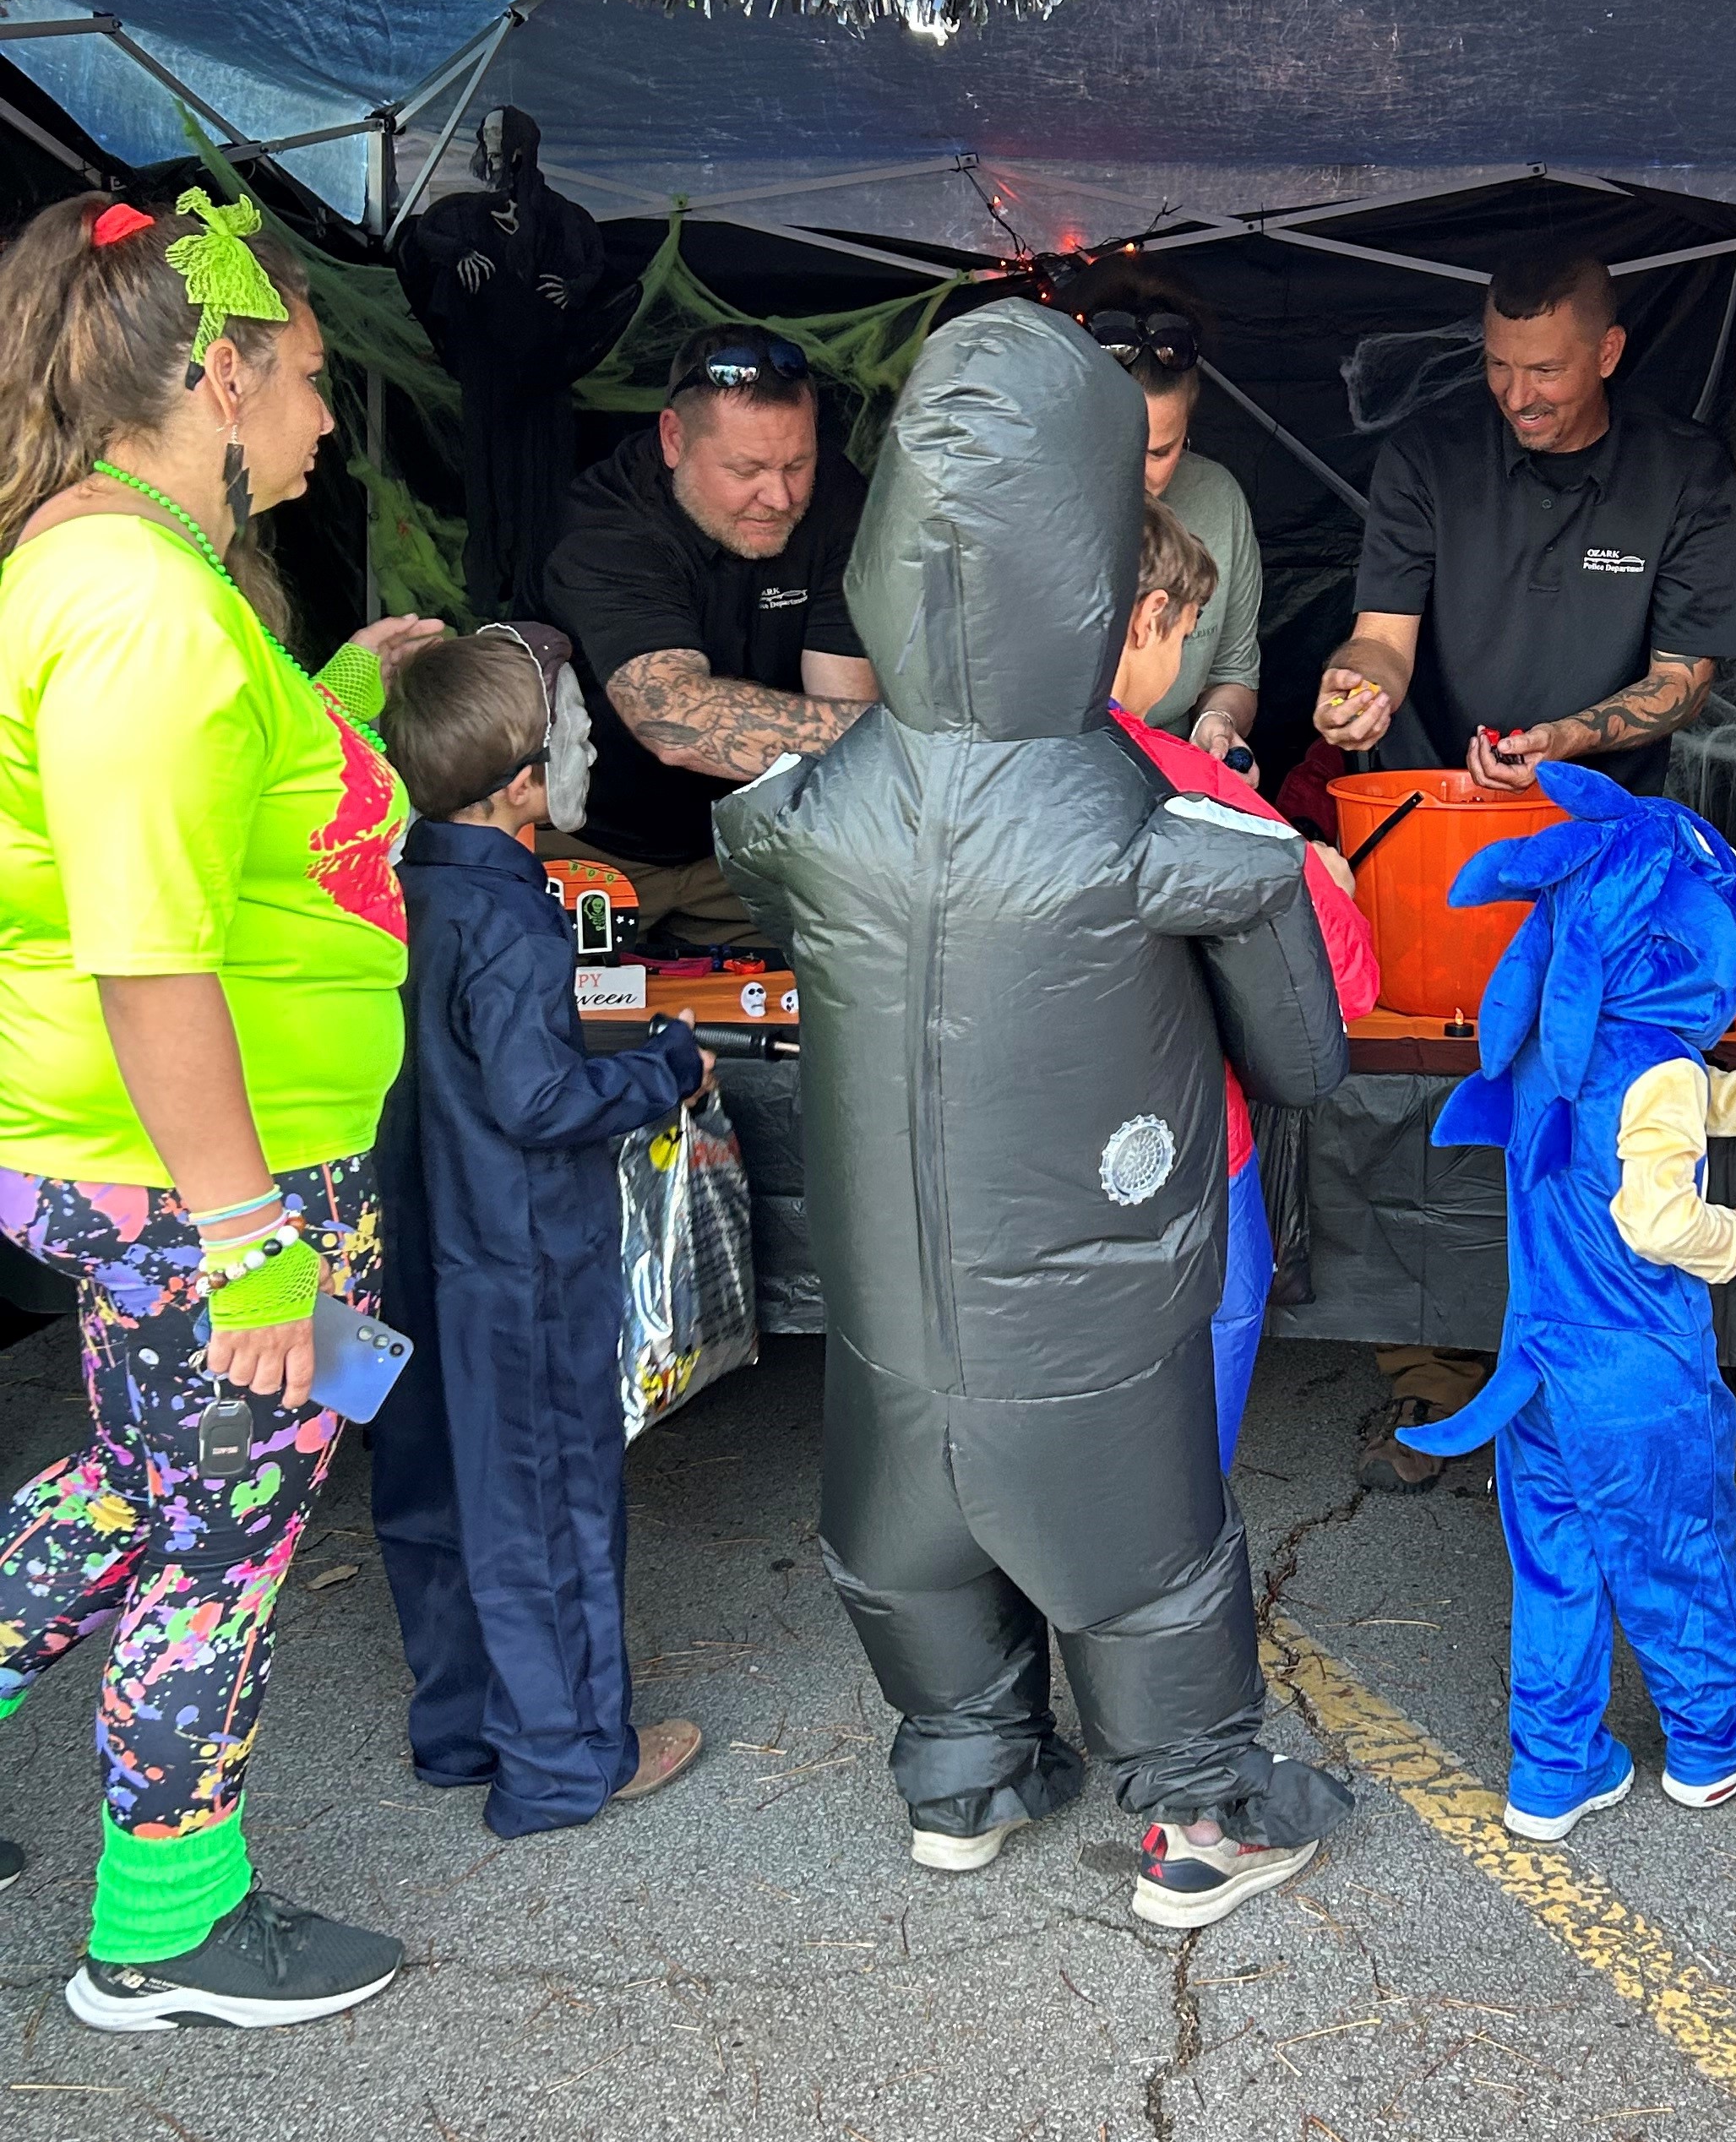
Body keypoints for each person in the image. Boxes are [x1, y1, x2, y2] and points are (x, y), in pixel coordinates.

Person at [717, 301, 1353, 1932]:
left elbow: (756, 837)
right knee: (1145, 1564)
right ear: (1085, 560)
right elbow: (1300, 1064)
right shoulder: (1147, 827)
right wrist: (1264, 900)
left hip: (885, 1322)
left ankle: (961, 1769)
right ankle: (1201, 1814)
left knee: (901, 1532)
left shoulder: (815, 804)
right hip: (1084, 1316)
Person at [0, 188, 438, 2031]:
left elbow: (215, 817)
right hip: (202, 1181)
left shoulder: (123, 580)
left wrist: (336, 693)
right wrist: (253, 1239)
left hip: (154, 1168)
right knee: (222, 1531)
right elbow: (150, 950)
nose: (329, 426)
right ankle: (165, 1926)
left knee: (137, 1481)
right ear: (226, 373)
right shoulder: (143, 614)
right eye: (315, 385)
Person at [1313, 236, 1736, 1492]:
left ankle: (1612, 1354)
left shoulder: (1683, 472)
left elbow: (1684, 679)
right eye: (1503, 367)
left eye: (1549, 369)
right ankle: (1429, 1365)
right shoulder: (1430, 458)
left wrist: (1567, 742)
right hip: (1437, 836)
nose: (1523, 395)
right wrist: (1358, 687)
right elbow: (1382, 639)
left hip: (1613, 847)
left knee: (1601, 1104)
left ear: (1608, 352)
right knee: (1429, 1092)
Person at [1400, 772, 1736, 1838]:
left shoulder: (1564, 1045)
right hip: (1634, 1376)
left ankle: (1553, 1769)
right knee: (1675, 1553)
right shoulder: (1654, 1064)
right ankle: (1718, 1738)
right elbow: (1657, 1216)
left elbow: (1679, 1098)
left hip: (1540, 1369)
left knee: (1555, 1565)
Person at [374, 629, 715, 1838]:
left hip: (408, 1250)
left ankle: (463, 1728)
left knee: (434, 1489)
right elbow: (538, 1100)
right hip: (515, 1258)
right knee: (547, 1503)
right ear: (522, 782)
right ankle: (568, 1759)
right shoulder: (515, 925)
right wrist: (663, 1069)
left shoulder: (391, 888)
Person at [1108, 498, 1379, 1468]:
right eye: (1182, 636)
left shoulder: (927, 777)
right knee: (1184, 1420)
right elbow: (1342, 989)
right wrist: (1331, 884)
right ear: (1147, 621)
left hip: (984, 1158)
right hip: (1178, 1152)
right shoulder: (1201, 789)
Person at [539, 324, 878, 946]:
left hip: (749, 845)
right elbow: (674, 719)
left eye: (797, 464)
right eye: (746, 469)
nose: (778, 496)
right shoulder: (609, 524)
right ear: (674, 439)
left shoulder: (836, 499)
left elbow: (844, 704)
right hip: (592, 845)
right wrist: (915, 746)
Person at [1082, 261, 1263, 771]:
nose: (1134, 473)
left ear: (1189, 425)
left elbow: (1232, 670)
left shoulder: (1218, 500)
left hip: (1175, 777)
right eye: (1118, 445)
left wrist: (1216, 729)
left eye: (1160, 452)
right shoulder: (1029, 508)